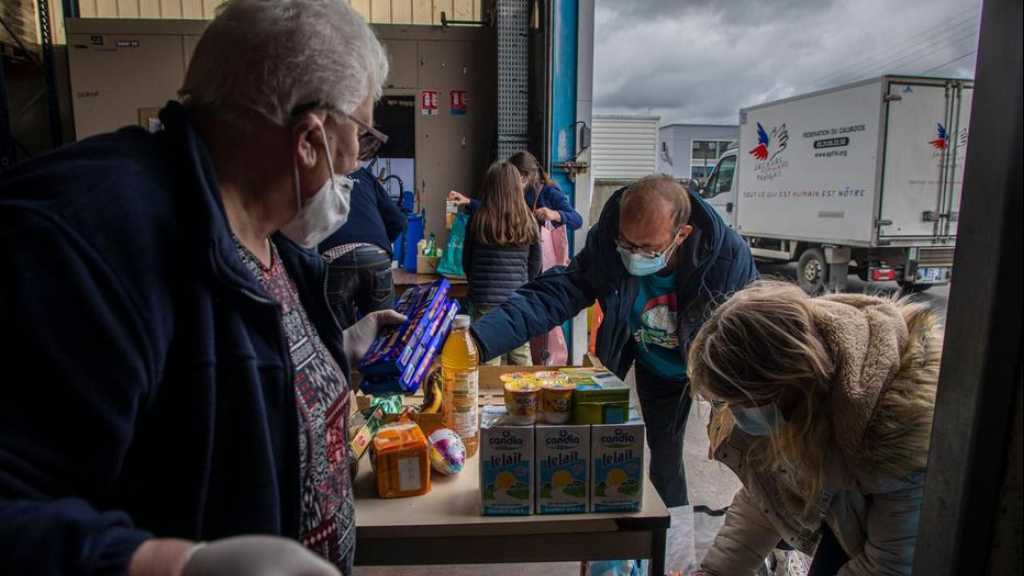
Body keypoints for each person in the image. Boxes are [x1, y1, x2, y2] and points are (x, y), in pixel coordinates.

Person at [0, 1, 402, 575]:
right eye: (361, 134)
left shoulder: (264, 234)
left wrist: (341, 346)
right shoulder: (88, 239)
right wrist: (170, 565)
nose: (357, 160)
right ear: (309, 138)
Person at [468, 174, 758, 506]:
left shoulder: (727, 259)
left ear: (682, 235)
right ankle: (665, 543)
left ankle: (774, 540)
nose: (633, 255)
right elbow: (554, 295)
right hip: (657, 368)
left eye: (647, 248)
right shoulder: (607, 243)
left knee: (753, 460)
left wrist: (732, 398)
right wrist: (477, 340)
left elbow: (755, 331)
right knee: (664, 455)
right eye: (626, 243)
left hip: (712, 369)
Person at [688, 281, 941, 576]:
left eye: (743, 402)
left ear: (789, 381)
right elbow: (766, 494)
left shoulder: (898, 433)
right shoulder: (795, 402)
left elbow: (890, 565)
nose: (737, 414)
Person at [462, 161, 541, 366]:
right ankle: (528, 396)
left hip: (485, 298)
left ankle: (487, 398)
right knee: (520, 356)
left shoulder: (479, 218)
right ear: (517, 187)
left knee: (489, 355)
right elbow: (536, 263)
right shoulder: (528, 219)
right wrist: (525, 286)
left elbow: (467, 260)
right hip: (517, 299)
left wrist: (476, 285)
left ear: (489, 186)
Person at [320, 165, 407, 328]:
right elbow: (399, 221)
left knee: (338, 335)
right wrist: (376, 244)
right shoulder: (364, 175)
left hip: (334, 257)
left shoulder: (315, 175)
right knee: (384, 328)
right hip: (375, 255)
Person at [448, 149, 583, 232]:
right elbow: (494, 209)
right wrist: (467, 201)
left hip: (543, 262)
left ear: (525, 177)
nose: (508, 180)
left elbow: (577, 221)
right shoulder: (512, 191)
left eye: (512, 175)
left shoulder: (549, 193)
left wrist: (554, 214)